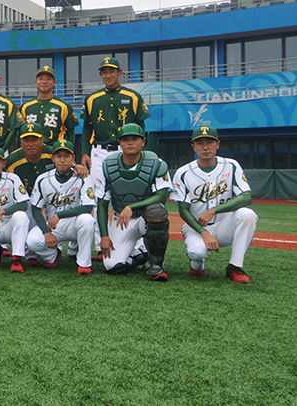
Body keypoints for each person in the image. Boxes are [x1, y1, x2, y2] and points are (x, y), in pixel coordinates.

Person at [171, 126, 258, 283]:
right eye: (200, 143)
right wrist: (203, 233)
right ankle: (197, 266)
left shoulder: (231, 166)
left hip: (224, 225)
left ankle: (234, 267)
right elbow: (183, 210)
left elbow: (246, 197)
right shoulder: (183, 173)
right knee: (197, 253)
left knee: (248, 215)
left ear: (217, 144)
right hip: (196, 227)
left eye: (210, 142)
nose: (205, 147)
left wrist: (214, 210)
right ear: (194, 147)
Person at [96, 124, 171, 281]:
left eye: (135, 139)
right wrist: (104, 236)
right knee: (112, 265)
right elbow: (102, 204)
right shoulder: (107, 165)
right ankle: (141, 253)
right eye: (125, 139)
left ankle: (155, 262)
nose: (130, 143)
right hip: (122, 219)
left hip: (145, 217)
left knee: (157, 212)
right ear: (119, 142)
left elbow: (161, 197)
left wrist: (132, 206)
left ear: (143, 141)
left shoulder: (157, 163)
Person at [26, 140, 97, 275]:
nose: (63, 160)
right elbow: (36, 208)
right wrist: (46, 233)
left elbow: (88, 207)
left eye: (66, 156)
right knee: (32, 241)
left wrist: (59, 215)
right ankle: (52, 255)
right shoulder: (43, 179)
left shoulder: (83, 176)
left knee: (87, 220)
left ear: (73, 158)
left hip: (75, 223)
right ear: (53, 158)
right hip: (53, 226)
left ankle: (84, 264)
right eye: (59, 156)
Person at [79, 57, 150, 189]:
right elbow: (87, 128)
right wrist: (85, 153)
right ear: (100, 74)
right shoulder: (92, 99)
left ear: (120, 72)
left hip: (124, 151)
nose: (108, 75)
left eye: (111, 71)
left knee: (126, 189)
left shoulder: (133, 96)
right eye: (104, 72)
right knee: (97, 191)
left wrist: (139, 149)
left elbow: (140, 126)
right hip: (99, 152)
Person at [18, 65, 78, 146]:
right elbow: (21, 133)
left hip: (54, 150)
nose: (44, 81)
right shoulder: (26, 107)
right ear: (36, 82)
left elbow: (71, 133)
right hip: (32, 151)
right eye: (41, 79)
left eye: (48, 79)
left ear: (54, 83)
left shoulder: (63, 106)